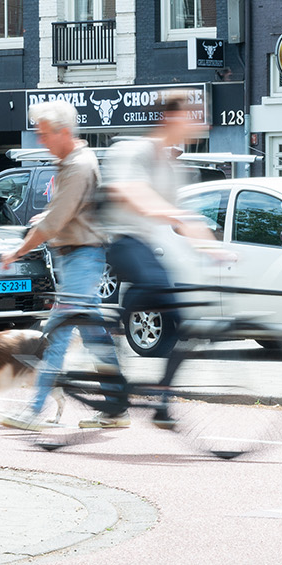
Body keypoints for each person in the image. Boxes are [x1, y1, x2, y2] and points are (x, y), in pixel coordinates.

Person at [0, 100, 119, 431]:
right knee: (95, 336)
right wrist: (48, 219)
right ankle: (116, 406)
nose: (41, 141)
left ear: (64, 132)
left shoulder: (78, 165)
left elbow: (54, 223)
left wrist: (17, 252)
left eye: (44, 134)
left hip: (82, 258)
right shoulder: (69, 162)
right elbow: (65, 213)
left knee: (57, 331)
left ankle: (34, 410)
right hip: (76, 257)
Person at [99, 89, 213, 426]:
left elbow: (179, 216)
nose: (197, 122)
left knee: (181, 319)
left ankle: (162, 403)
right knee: (154, 285)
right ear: (170, 117)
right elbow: (132, 194)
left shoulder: (172, 167)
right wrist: (174, 216)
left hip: (146, 244)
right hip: (122, 240)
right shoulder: (131, 151)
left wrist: (212, 248)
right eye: (190, 115)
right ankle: (115, 323)